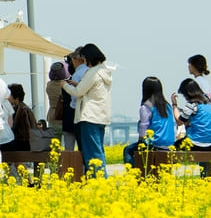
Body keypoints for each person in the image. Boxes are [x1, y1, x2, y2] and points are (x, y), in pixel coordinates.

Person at [62, 43, 113, 176]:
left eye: (84, 58)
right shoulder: (104, 71)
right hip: (101, 116)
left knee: (92, 153)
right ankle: (100, 179)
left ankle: (99, 180)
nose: (84, 61)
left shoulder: (93, 72)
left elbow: (78, 91)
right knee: (98, 150)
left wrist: (64, 85)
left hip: (89, 116)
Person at [122, 76, 176, 166]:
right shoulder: (168, 106)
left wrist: (140, 142)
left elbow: (143, 127)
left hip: (155, 145)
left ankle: (135, 172)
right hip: (170, 145)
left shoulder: (146, 107)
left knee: (128, 150)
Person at [1, 83, 36, 152]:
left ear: (16, 97)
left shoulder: (22, 110)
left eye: (9, 95)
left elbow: (28, 130)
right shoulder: (20, 108)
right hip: (23, 143)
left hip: (23, 143)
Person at [46, 61, 67, 137]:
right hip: (65, 117)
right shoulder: (66, 85)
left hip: (53, 116)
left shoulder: (49, 85)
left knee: (55, 142)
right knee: (69, 142)